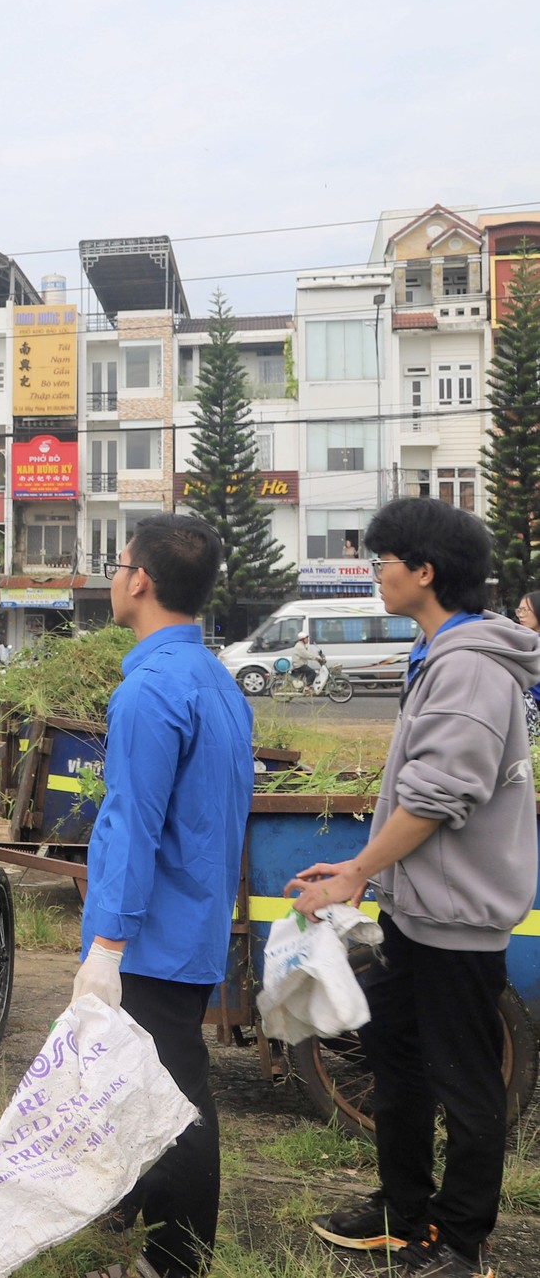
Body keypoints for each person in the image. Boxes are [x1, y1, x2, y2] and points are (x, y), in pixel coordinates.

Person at [294, 500, 539, 1278]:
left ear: (424, 571)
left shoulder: (469, 667)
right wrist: (374, 877)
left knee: (465, 1081)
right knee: (394, 1053)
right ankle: (404, 1208)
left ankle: (462, 1241)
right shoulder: (439, 652)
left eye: (383, 560)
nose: (377, 574)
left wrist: (358, 870)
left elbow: (438, 798)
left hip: (457, 922)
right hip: (416, 911)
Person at [75, 514, 251, 1278]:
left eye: (118, 565)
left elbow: (134, 826)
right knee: (151, 1078)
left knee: (176, 1092)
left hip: (151, 933)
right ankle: (137, 1206)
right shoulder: (214, 677)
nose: (114, 577)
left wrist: (107, 946)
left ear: (139, 579)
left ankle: (176, 1260)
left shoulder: (148, 691)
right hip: (192, 920)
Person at [516, 591, 540, 740]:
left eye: (525, 610)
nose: (520, 615)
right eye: (519, 610)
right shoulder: (523, 642)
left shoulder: (530, 645)